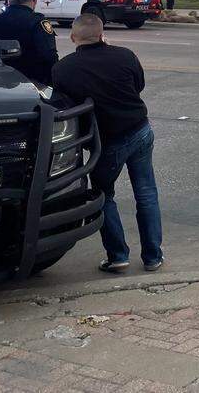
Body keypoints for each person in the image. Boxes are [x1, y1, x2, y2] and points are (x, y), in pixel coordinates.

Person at [52, 14, 164, 273]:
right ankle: (152, 256)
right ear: (102, 34)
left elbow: (65, 106)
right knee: (146, 192)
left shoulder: (63, 69)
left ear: (72, 37)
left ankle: (118, 255)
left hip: (107, 141)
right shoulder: (125, 55)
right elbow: (139, 86)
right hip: (140, 130)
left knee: (104, 195)